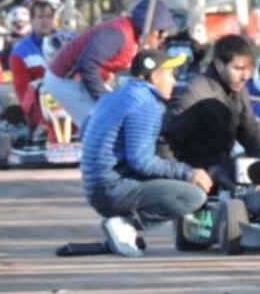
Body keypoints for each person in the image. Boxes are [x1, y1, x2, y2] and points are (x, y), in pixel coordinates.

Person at [80, 49, 213, 257]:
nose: (173, 80)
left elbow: (85, 130)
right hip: (113, 190)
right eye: (169, 74)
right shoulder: (146, 103)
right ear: (155, 76)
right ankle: (126, 225)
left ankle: (121, 226)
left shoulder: (114, 96)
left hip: (95, 187)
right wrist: (188, 173)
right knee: (192, 195)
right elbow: (141, 161)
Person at [43, 0, 175, 127]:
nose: (161, 39)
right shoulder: (117, 34)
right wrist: (104, 99)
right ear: (150, 29)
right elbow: (86, 63)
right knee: (103, 124)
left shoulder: (137, 38)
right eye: (160, 33)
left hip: (87, 78)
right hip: (66, 79)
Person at [162, 34, 260, 179]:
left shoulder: (239, 90)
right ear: (218, 64)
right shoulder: (195, 92)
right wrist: (184, 175)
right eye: (238, 68)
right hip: (193, 176)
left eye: (249, 69)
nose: (245, 76)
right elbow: (165, 143)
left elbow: (252, 137)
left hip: (221, 170)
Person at [9, 0, 58, 127]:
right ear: (31, 20)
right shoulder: (20, 52)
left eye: (48, 17)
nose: (45, 21)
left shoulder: (67, 42)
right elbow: (23, 92)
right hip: (41, 113)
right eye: (40, 17)